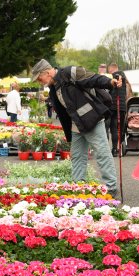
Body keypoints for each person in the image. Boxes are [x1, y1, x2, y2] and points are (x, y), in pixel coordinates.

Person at [31, 58, 119, 192]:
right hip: (76, 125)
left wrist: (110, 82)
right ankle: (79, 187)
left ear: (47, 72)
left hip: (92, 120)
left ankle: (111, 188)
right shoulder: (53, 88)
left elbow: (93, 78)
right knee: (77, 156)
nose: (39, 81)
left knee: (102, 153)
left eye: (39, 78)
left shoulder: (70, 72)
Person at [106, 62, 130, 155]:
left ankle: (106, 150)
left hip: (112, 106)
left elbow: (117, 77)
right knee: (115, 129)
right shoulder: (124, 78)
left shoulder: (116, 75)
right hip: (120, 107)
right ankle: (114, 149)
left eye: (109, 70)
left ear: (111, 69)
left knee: (107, 127)